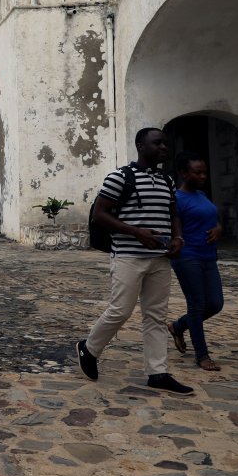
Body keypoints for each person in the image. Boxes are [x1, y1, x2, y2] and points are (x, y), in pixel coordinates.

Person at [76, 127, 191, 393]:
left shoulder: (167, 180)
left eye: (165, 142)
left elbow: (173, 213)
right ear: (140, 146)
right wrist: (136, 232)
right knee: (120, 310)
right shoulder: (120, 177)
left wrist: (178, 238)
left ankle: (158, 372)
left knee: (156, 316)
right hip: (128, 256)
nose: (163, 147)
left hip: (159, 258)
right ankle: (89, 348)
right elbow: (100, 216)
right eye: (157, 143)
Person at [166, 152, 225, 372]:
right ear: (183, 173)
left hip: (208, 256)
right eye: (197, 172)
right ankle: (202, 355)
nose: (203, 176)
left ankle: (178, 326)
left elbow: (212, 220)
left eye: (204, 172)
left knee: (215, 304)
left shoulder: (201, 195)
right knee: (197, 304)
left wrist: (219, 229)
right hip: (187, 256)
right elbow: (176, 227)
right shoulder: (177, 199)